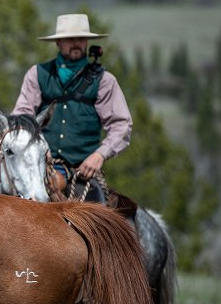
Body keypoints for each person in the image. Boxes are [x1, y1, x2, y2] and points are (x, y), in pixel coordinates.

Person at [12, 13, 132, 203]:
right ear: (58, 43)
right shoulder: (37, 74)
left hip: (83, 172)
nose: (76, 43)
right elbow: (21, 116)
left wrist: (99, 155)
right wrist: (40, 144)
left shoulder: (105, 81)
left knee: (97, 226)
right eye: (69, 39)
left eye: (80, 38)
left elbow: (121, 125)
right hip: (40, 167)